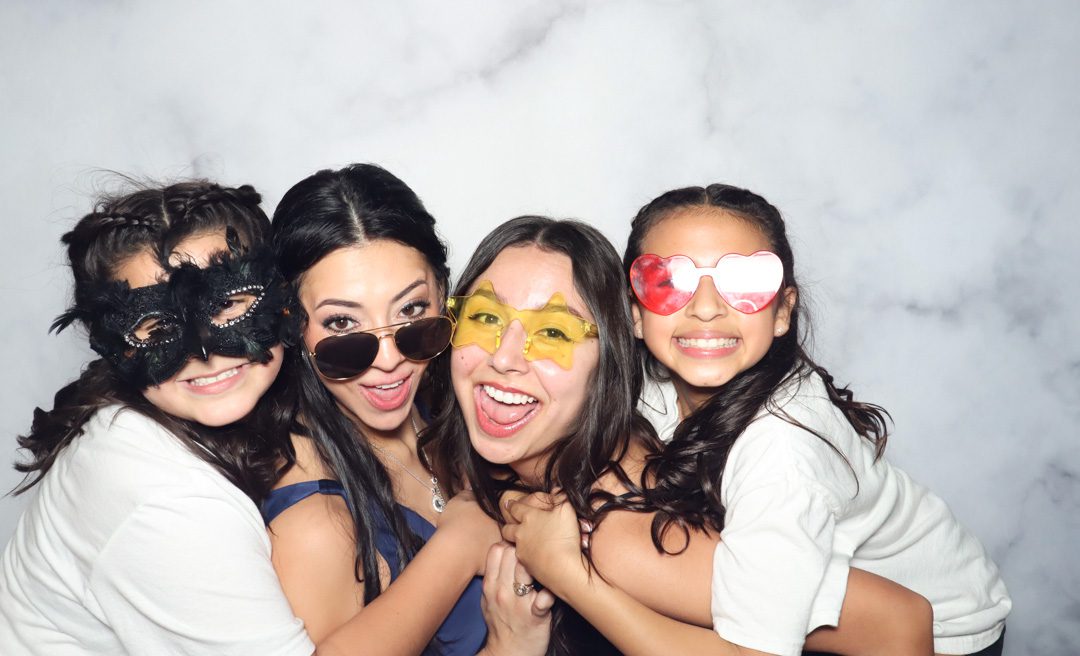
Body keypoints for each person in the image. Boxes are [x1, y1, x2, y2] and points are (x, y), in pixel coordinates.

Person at [426, 215, 935, 656]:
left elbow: (897, 623)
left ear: (611, 362)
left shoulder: (616, 532)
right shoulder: (521, 459)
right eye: (485, 317)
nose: (505, 357)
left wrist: (568, 575)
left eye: (554, 332)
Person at [609, 183, 1009, 655]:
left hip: (945, 632)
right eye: (669, 283)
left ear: (782, 312)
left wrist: (573, 576)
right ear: (635, 315)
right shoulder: (651, 385)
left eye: (745, 283)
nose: (707, 307)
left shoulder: (782, 450)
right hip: (813, 599)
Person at [0, 180, 319, 654]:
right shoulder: (162, 495)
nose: (205, 353)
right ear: (114, 345)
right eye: (158, 326)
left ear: (283, 295)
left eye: (228, 305)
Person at [267, 164, 552, 656]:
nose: (389, 359)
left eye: (411, 311)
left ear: (443, 295)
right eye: (342, 323)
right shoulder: (315, 526)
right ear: (293, 328)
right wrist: (510, 645)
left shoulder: (460, 407)